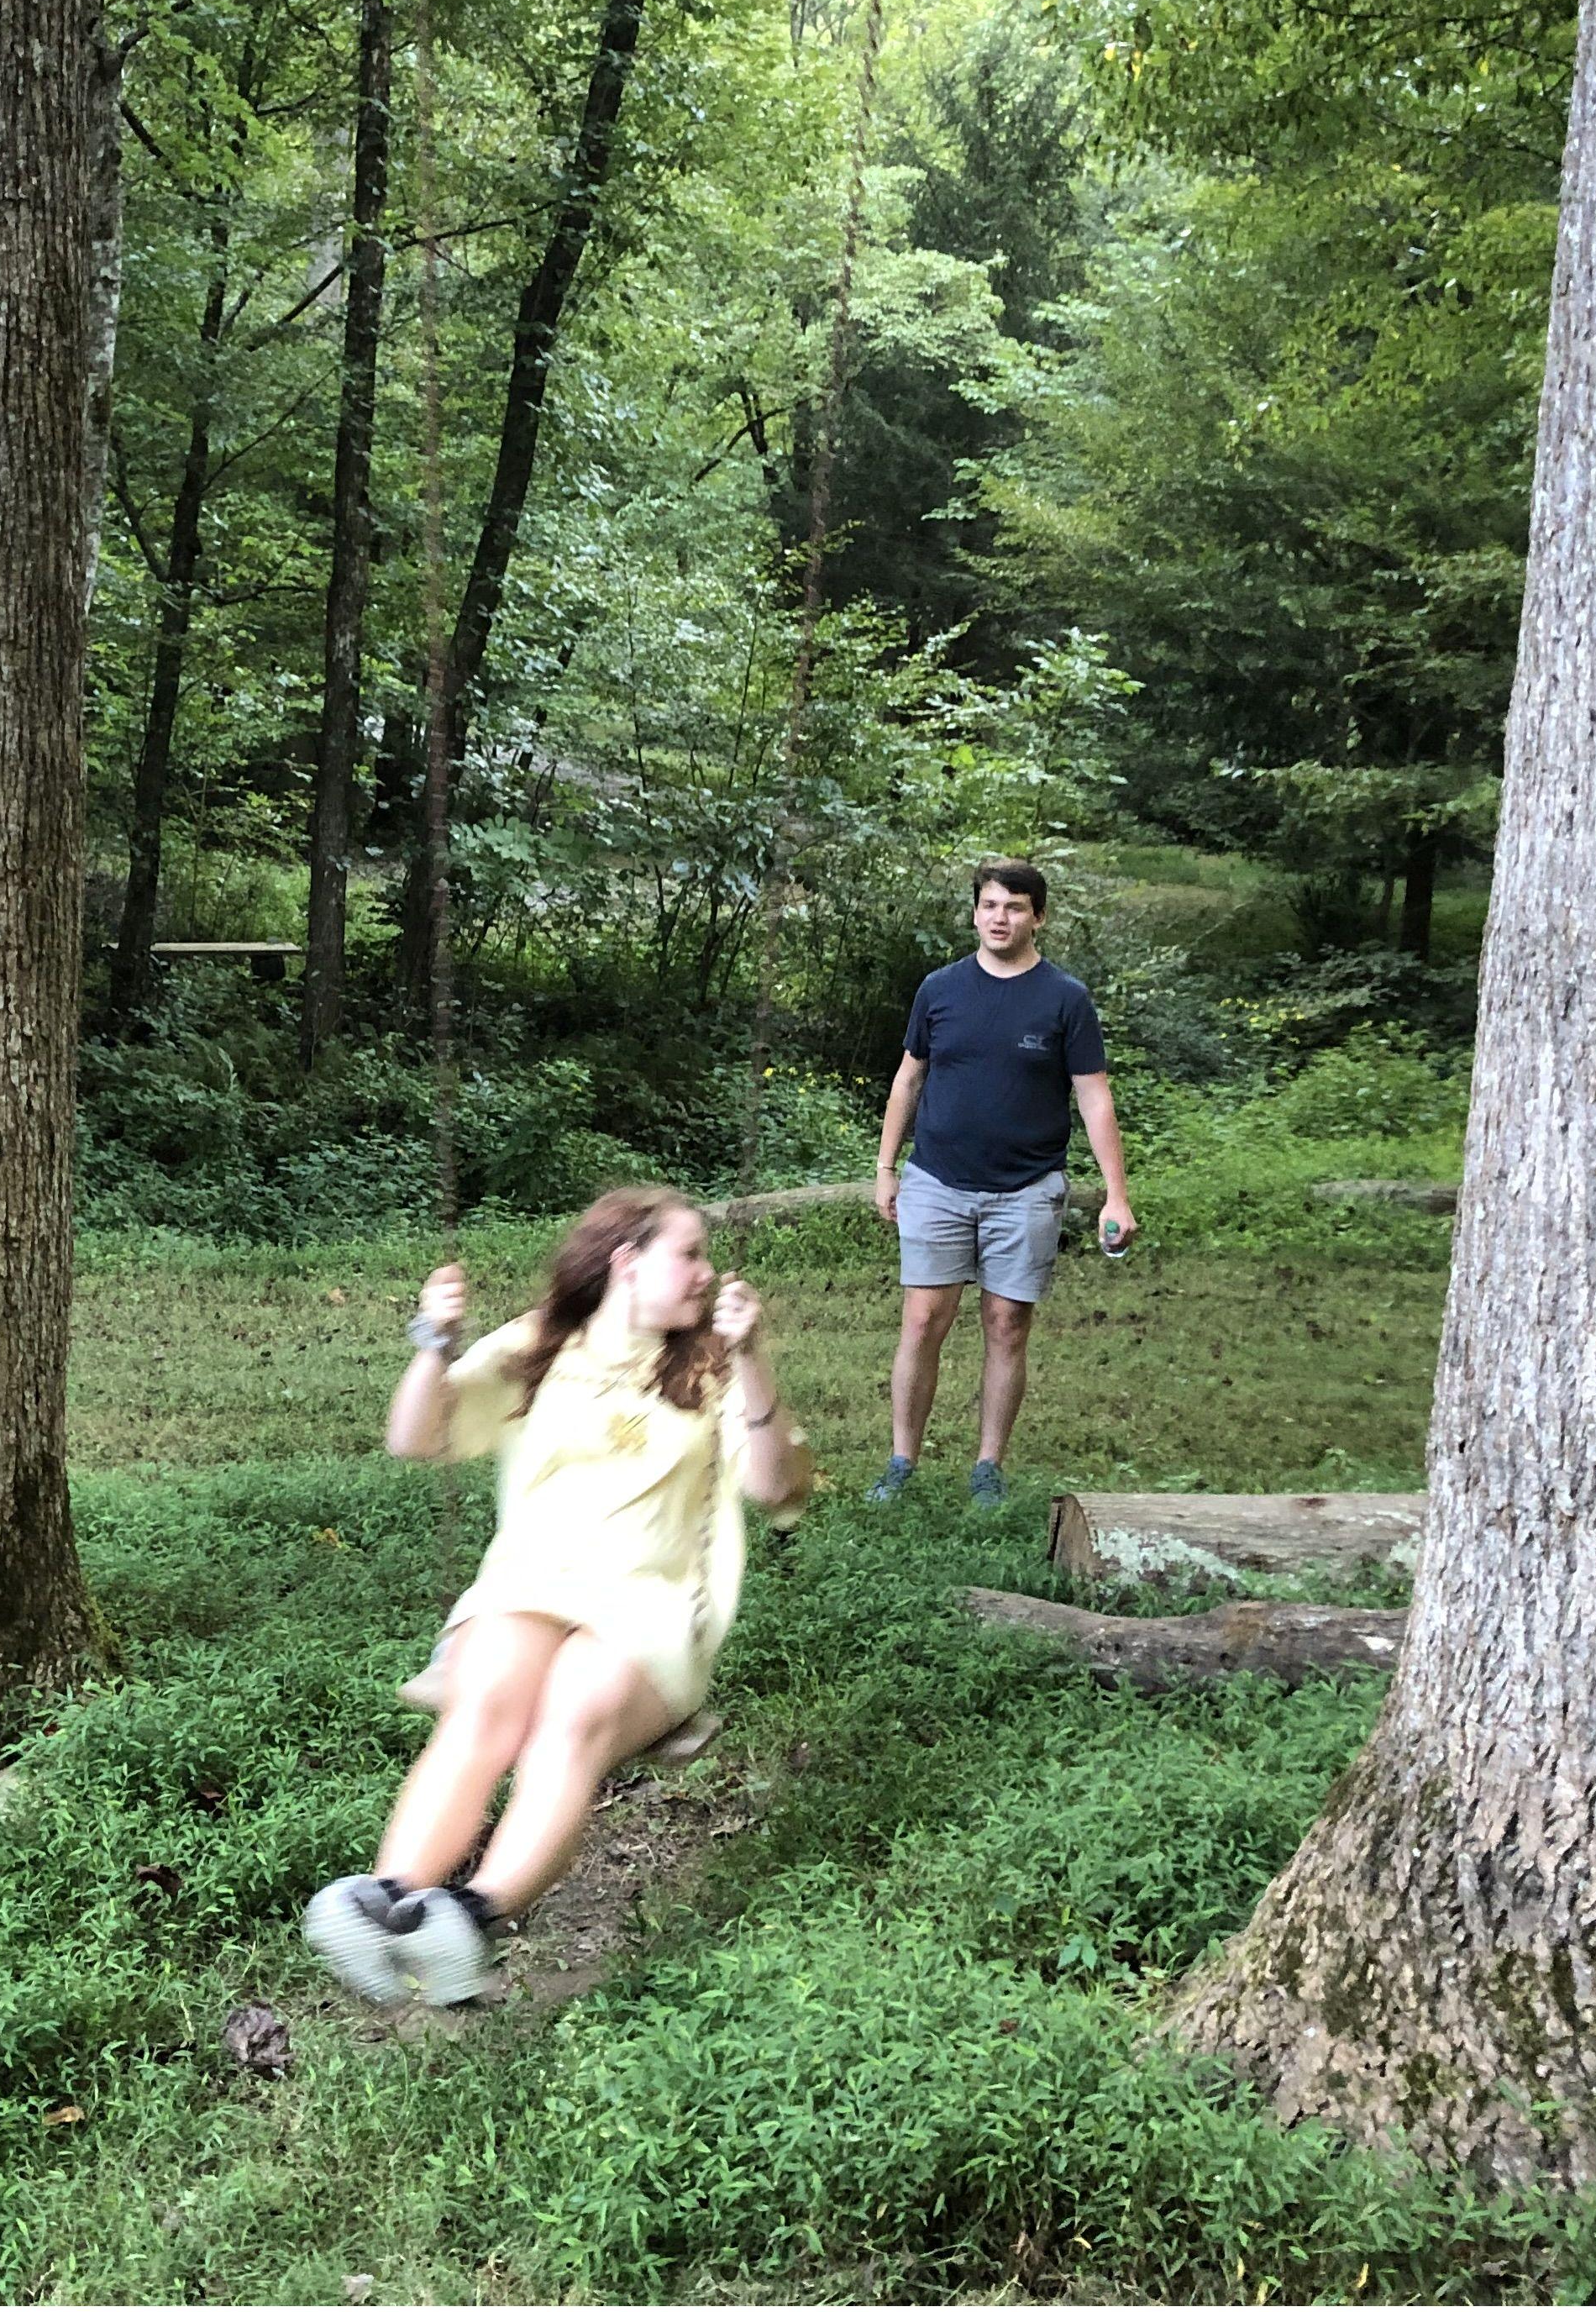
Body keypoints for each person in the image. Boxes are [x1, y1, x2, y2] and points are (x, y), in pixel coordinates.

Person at [301, 1185, 814, 2008]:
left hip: (654, 1603)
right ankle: (385, 1903)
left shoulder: (713, 1366)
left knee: (574, 1712)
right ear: (627, 1263)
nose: (706, 1273)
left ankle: (469, 1917)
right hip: (529, 1583)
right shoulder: (537, 1345)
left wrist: (751, 1358)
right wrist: (433, 1342)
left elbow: (776, 1486)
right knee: (486, 1700)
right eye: (689, 1254)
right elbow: (414, 1438)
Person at [867, 859, 1134, 1505]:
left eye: (1014, 907)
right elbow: (908, 1078)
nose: (1000, 918)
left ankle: (988, 1466)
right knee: (922, 1321)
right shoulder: (939, 989)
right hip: (936, 1179)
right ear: (975, 913)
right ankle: (901, 1461)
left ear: (1038, 916)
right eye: (989, 905)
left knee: (1007, 1323)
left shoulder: (1065, 998)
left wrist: (1117, 1194)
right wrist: (885, 1167)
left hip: (1028, 1187)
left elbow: (1094, 1097)